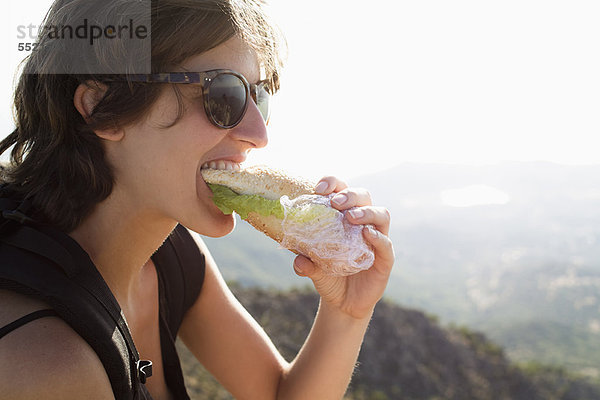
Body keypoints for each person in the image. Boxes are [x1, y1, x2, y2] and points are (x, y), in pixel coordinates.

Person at [0, 0, 394, 399]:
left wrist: (346, 312)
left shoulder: (173, 254)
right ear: (104, 109)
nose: (259, 134)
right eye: (224, 94)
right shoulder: (48, 363)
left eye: (260, 95)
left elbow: (278, 394)